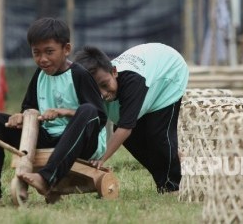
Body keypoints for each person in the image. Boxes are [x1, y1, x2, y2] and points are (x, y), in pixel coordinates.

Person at [0, 17, 107, 206]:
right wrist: (22, 116)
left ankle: (46, 178)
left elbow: (99, 117)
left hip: (82, 142)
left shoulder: (79, 75)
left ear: (66, 49)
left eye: (49, 52)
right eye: (36, 53)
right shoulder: (40, 75)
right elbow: (29, 107)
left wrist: (63, 112)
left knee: (88, 110)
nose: (43, 59)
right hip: (49, 136)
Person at [74, 43, 189, 193]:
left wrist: (101, 158)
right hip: (149, 76)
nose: (103, 94)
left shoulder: (132, 81)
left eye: (105, 85)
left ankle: (171, 186)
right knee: (131, 138)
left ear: (114, 72)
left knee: (158, 134)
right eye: (96, 90)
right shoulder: (91, 89)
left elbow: (125, 128)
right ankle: (172, 163)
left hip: (169, 75)